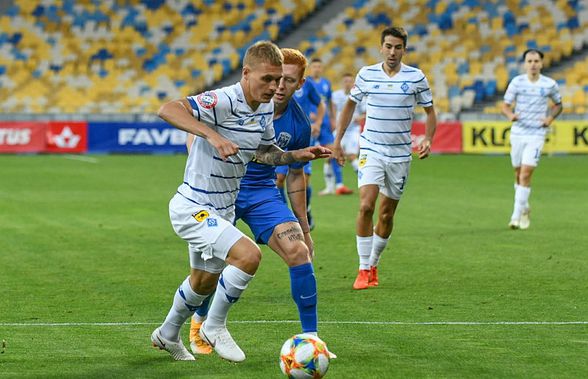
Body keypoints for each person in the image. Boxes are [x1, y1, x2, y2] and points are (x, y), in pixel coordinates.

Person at [151, 41, 331, 362]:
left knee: (202, 283)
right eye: (268, 79)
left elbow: (264, 153)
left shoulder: (263, 110)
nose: (274, 87)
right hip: (193, 206)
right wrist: (212, 135)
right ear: (246, 73)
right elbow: (168, 109)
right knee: (248, 256)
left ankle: (166, 334)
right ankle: (214, 327)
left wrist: (295, 155)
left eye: (279, 80)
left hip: (224, 207)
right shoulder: (221, 100)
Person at [333, 27, 437, 290]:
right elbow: (349, 106)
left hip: (400, 154)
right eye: (388, 46)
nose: (392, 52)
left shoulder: (416, 77)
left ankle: (374, 262)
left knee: (386, 214)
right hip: (371, 149)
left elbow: (430, 112)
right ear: (381, 47)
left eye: (397, 47)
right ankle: (362, 268)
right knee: (366, 206)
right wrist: (337, 141)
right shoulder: (366, 74)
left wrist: (427, 139)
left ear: (404, 49)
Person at [501, 48, 562, 230]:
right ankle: (525, 207)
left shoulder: (549, 84)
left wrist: (549, 119)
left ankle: (515, 216)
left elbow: (559, 105)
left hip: (536, 133)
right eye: (529, 61)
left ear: (542, 63)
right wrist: (510, 115)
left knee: (526, 173)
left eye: (536, 61)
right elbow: (505, 106)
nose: (533, 64)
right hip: (518, 132)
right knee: (518, 174)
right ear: (525, 64)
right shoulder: (517, 82)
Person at [307, 58, 354, 196]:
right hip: (310, 123)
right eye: (314, 66)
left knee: (331, 152)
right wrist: (308, 114)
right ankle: (305, 183)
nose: (317, 69)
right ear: (310, 68)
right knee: (306, 154)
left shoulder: (326, 83)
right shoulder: (306, 83)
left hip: (325, 123)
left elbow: (329, 103)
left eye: (319, 67)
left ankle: (338, 185)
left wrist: (333, 119)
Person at [332, 72, 366, 173]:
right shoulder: (336, 95)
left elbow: (366, 113)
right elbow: (333, 111)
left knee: (352, 156)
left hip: (353, 131)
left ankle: (363, 175)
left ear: (354, 83)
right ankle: (331, 187)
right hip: (339, 130)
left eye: (350, 81)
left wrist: (360, 117)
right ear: (342, 83)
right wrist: (334, 121)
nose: (348, 83)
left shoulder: (359, 96)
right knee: (330, 156)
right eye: (345, 81)